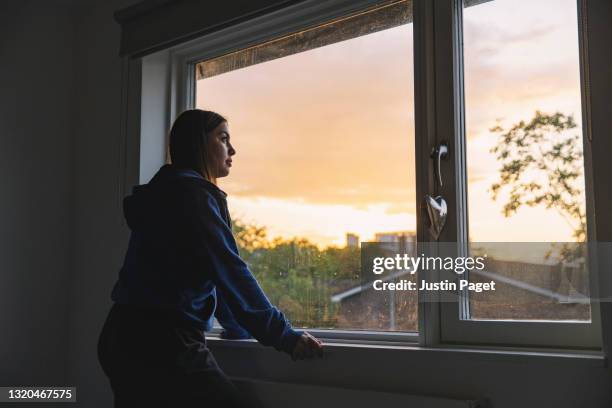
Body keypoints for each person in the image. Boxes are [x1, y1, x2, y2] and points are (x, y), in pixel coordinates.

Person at [97, 109, 324, 408]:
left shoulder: (168, 194)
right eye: (223, 138)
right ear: (198, 144)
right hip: (161, 342)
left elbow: (212, 274)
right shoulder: (193, 196)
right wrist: (285, 336)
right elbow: (231, 272)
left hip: (122, 335)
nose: (232, 150)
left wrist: (238, 329)